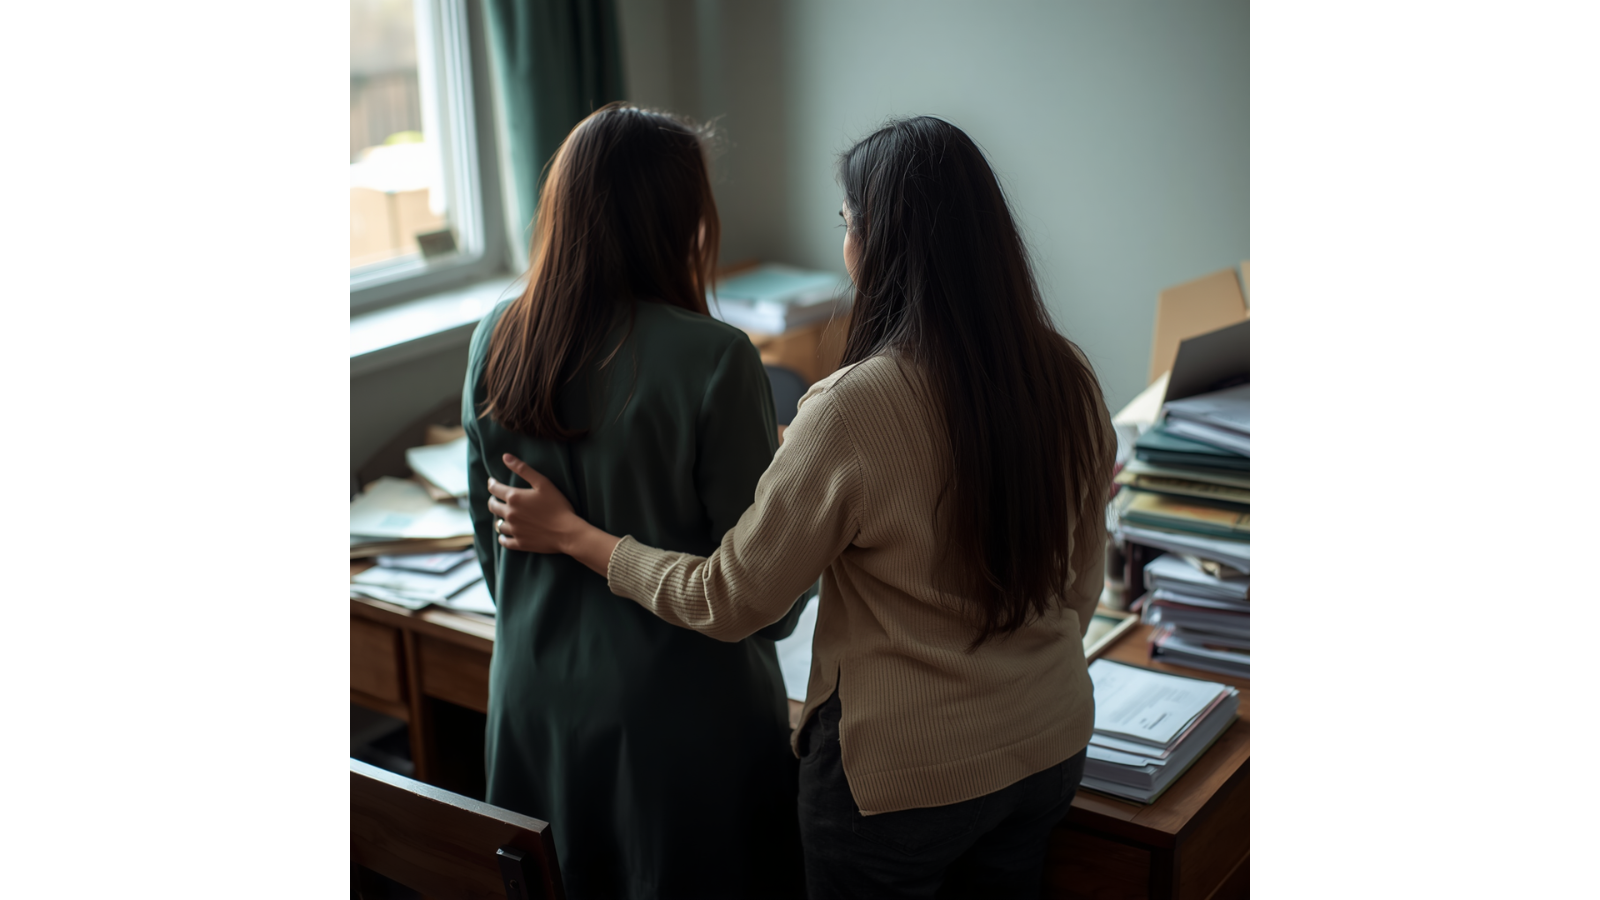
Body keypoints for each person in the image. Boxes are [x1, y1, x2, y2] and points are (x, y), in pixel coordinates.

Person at [489, 115, 1116, 899]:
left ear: (880, 242)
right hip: (1048, 744)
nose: (845, 246)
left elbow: (730, 598)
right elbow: (1082, 585)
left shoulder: (853, 408)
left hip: (898, 784)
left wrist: (581, 537)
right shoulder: (1068, 375)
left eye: (849, 225)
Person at [461, 102, 806, 900]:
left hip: (534, 703)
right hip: (682, 729)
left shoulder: (495, 337)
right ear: (679, 216)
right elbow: (769, 605)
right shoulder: (716, 359)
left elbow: (493, 543)